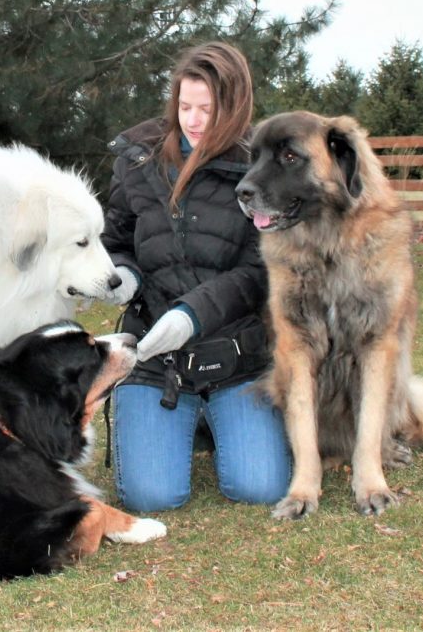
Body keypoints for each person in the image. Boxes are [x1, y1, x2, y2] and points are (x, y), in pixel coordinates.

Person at [101, 42, 291, 512]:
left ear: (236, 105)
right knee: (151, 497)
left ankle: (213, 420)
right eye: (185, 106)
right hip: (153, 359)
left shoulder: (260, 168)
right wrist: (122, 272)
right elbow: (114, 236)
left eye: (208, 108)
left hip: (236, 359)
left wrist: (193, 315)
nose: (193, 120)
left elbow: (261, 270)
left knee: (259, 487)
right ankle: (176, 423)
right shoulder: (138, 160)